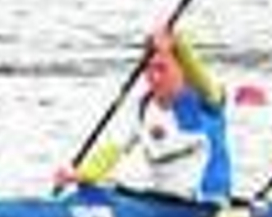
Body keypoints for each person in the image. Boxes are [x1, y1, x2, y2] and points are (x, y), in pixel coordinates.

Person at [56, 27, 232, 204]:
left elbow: (203, 81)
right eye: (149, 68)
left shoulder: (202, 102)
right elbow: (112, 149)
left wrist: (179, 44)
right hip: (164, 205)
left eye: (162, 69)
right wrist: (81, 174)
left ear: (183, 71)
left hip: (208, 206)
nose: (154, 77)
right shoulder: (143, 108)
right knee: (91, 190)